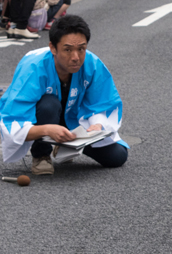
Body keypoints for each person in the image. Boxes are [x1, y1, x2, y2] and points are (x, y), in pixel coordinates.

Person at [0, 16, 127, 174]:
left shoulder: (92, 64)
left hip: (75, 122)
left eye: (81, 49)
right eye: (67, 49)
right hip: (44, 119)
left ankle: (64, 145)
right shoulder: (33, 67)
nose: (76, 57)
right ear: (53, 48)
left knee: (118, 156)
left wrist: (98, 125)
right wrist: (46, 130)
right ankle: (41, 154)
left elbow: (104, 103)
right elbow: (13, 122)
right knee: (49, 105)